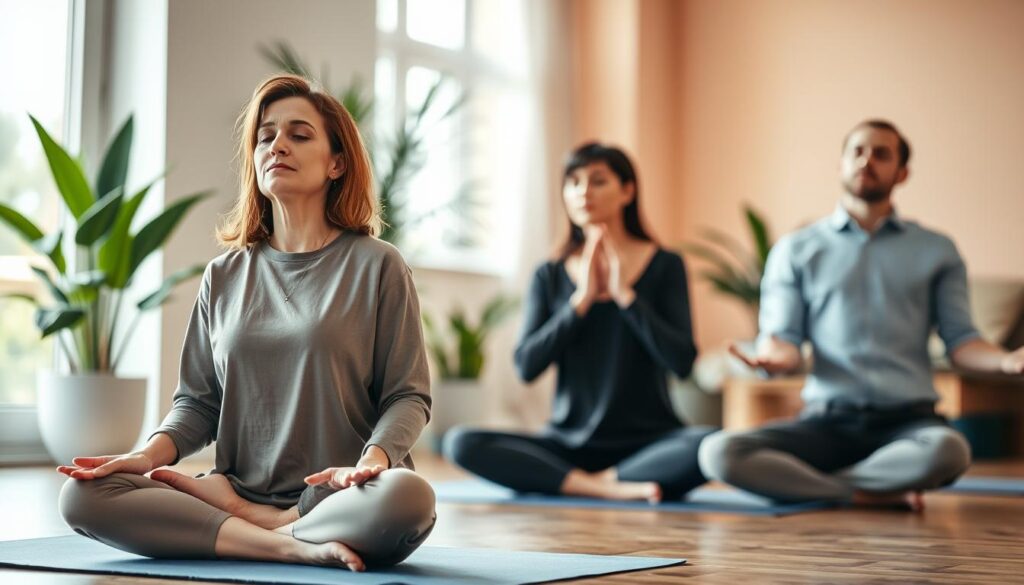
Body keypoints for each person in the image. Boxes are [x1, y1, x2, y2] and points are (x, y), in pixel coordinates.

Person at [56, 74, 437, 571]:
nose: (277, 145)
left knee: (408, 499)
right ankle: (286, 542)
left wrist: (371, 464)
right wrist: (146, 456)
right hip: (236, 488)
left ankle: (256, 525)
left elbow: (408, 396)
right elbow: (197, 404)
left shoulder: (378, 265)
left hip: (339, 496)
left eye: (299, 135)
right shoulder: (223, 275)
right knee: (82, 496)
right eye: (265, 137)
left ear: (337, 163)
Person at [699, 120, 1024, 510]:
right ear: (841, 165)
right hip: (826, 423)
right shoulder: (795, 249)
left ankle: (820, 486)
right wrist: (771, 359)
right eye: (857, 151)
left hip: (908, 425)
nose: (867, 160)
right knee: (718, 453)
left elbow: (961, 342)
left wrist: (1007, 361)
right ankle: (869, 491)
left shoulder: (937, 250)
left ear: (902, 173)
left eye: (881, 154)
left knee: (950, 450)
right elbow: (783, 338)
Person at [444, 142, 715, 503]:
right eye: (573, 182)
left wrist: (625, 297)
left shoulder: (666, 265)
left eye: (598, 181)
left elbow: (682, 362)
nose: (583, 192)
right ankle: (599, 486)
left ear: (628, 191)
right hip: (568, 444)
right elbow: (526, 366)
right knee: (460, 442)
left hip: (649, 444)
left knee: (711, 445)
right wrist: (580, 301)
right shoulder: (549, 274)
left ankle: (591, 481)